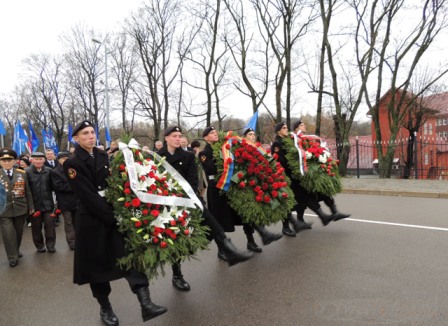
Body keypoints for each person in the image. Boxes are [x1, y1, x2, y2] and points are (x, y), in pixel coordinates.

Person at [63, 120, 167, 325]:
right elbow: (87, 196)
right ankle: (105, 308)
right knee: (97, 268)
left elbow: (116, 182)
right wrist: (113, 216)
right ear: (76, 138)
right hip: (92, 220)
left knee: (130, 255)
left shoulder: (103, 156)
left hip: (113, 212)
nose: (91, 136)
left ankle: (146, 303)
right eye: (85, 133)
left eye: (92, 132)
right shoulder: (71, 164)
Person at [157, 126, 253, 291]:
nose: (178, 139)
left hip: (188, 198)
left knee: (210, 219)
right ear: (166, 138)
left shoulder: (187, 156)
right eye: (174, 136)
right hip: (168, 202)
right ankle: (177, 275)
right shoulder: (158, 158)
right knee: (174, 238)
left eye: (180, 136)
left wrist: (188, 195)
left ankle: (228, 248)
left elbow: (193, 179)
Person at [200, 126, 282, 255]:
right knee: (218, 221)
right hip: (216, 188)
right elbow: (210, 169)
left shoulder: (225, 146)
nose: (215, 134)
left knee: (244, 212)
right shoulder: (204, 153)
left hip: (231, 185)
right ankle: (222, 250)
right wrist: (224, 160)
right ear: (205, 137)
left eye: (215, 132)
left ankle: (256, 238)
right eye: (211, 133)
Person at [271, 122, 332, 236]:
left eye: (287, 127)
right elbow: (279, 161)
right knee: (287, 202)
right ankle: (286, 227)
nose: (286, 129)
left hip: (295, 176)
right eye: (284, 128)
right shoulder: (277, 143)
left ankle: (317, 217)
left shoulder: (289, 140)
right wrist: (294, 167)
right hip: (286, 177)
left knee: (305, 196)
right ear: (278, 131)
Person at [292, 120, 350, 222]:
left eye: (304, 124)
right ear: (296, 128)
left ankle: (335, 212)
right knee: (306, 197)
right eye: (301, 125)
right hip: (303, 173)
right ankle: (301, 219)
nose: (304, 126)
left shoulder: (306, 138)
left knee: (323, 192)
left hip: (312, 170)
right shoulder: (295, 139)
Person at [0, 148, 34, 267]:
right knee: (8, 234)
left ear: (14, 161)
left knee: (18, 233)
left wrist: (31, 206)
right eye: (4, 160)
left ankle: (16, 250)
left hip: (20, 208)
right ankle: (12, 257)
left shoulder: (22, 173)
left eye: (10, 160)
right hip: (3, 211)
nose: (7, 162)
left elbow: (28, 191)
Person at [26, 152, 57, 252]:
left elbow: (54, 187)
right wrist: (29, 206)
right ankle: (39, 246)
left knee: (50, 226)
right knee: (36, 227)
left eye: (40, 159)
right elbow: (26, 190)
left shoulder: (49, 171)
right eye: (36, 159)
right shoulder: (26, 172)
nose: (38, 161)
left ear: (44, 160)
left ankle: (51, 245)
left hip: (48, 204)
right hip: (34, 205)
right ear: (32, 160)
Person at [50, 151, 77, 250]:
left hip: (76, 200)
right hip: (65, 201)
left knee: (77, 222)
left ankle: (79, 240)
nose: (65, 160)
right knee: (69, 223)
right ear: (59, 160)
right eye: (63, 159)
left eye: (67, 158)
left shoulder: (73, 169)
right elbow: (58, 186)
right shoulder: (55, 172)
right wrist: (74, 186)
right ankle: (72, 242)